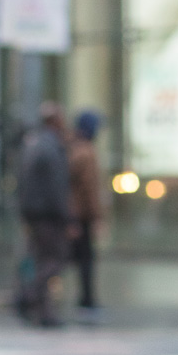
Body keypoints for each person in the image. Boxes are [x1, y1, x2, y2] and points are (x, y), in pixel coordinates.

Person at [15, 101, 70, 327]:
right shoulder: (50, 147)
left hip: (35, 212)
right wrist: (65, 215)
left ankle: (37, 305)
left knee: (39, 259)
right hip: (47, 214)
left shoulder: (34, 144)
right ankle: (31, 299)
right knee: (52, 261)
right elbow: (56, 186)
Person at [68, 109, 104, 319]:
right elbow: (90, 190)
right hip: (81, 216)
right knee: (85, 260)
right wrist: (97, 216)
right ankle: (87, 301)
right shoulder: (86, 152)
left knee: (70, 258)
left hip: (73, 214)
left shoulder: (72, 148)